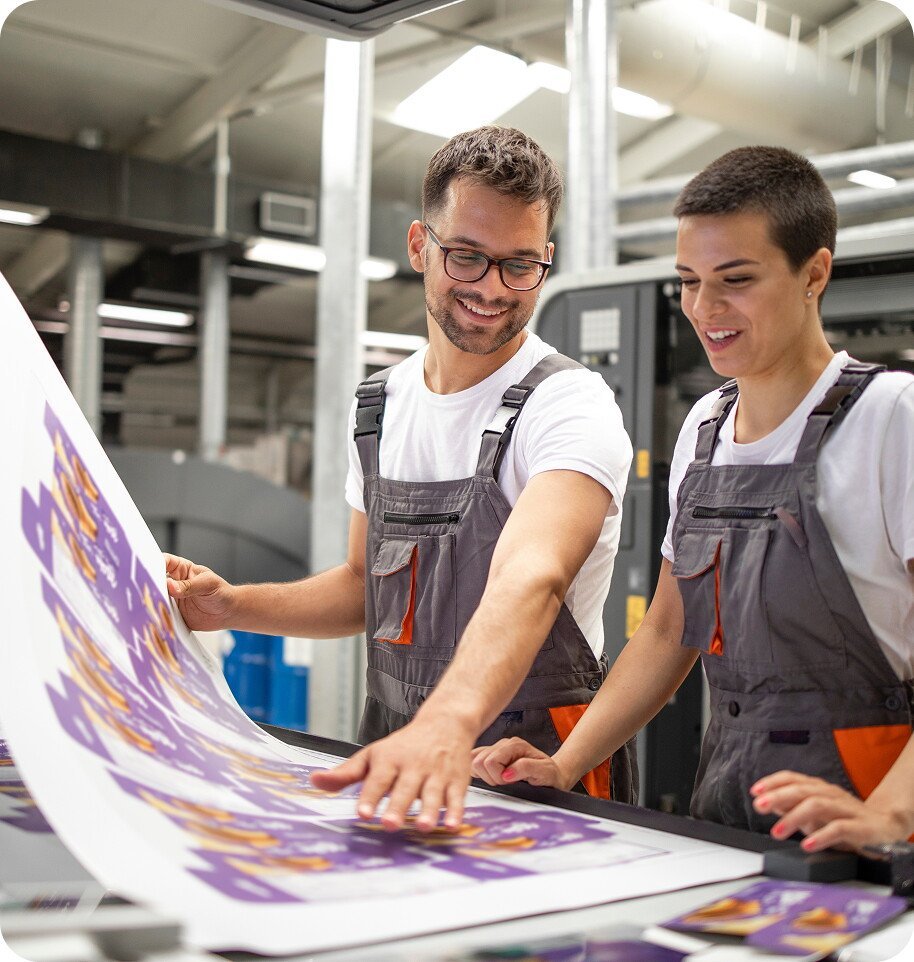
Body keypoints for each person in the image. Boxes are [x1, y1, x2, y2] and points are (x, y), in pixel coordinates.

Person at [165, 126, 635, 832]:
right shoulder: (378, 409)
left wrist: (448, 722)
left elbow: (532, 577)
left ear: (547, 261)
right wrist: (234, 606)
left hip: (533, 761)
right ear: (420, 246)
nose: (490, 288)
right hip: (399, 745)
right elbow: (364, 585)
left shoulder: (569, 404)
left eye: (520, 266)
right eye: (466, 257)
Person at [471, 145, 914, 855]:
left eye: (735, 280)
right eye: (688, 281)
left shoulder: (891, 417)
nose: (706, 309)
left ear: (815, 274)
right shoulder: (706, 427)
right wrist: (566, 762)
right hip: (729, 809)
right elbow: (667, 630)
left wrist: (890, 818)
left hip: (872, 832)